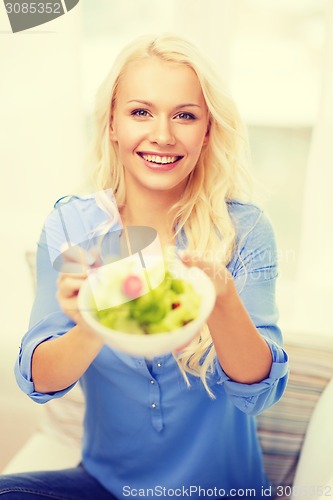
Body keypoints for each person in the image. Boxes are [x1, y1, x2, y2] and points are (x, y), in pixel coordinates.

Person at [0, 33, 288, 499]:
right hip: (106, 487)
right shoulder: (72, 224)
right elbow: (38, 380)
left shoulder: (246, 230)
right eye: (140, 112)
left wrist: (222, 296)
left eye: (185, 116)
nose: (162, 134)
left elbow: (258, 393)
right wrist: (95, 319)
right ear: (112, 123)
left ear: (208, 130)